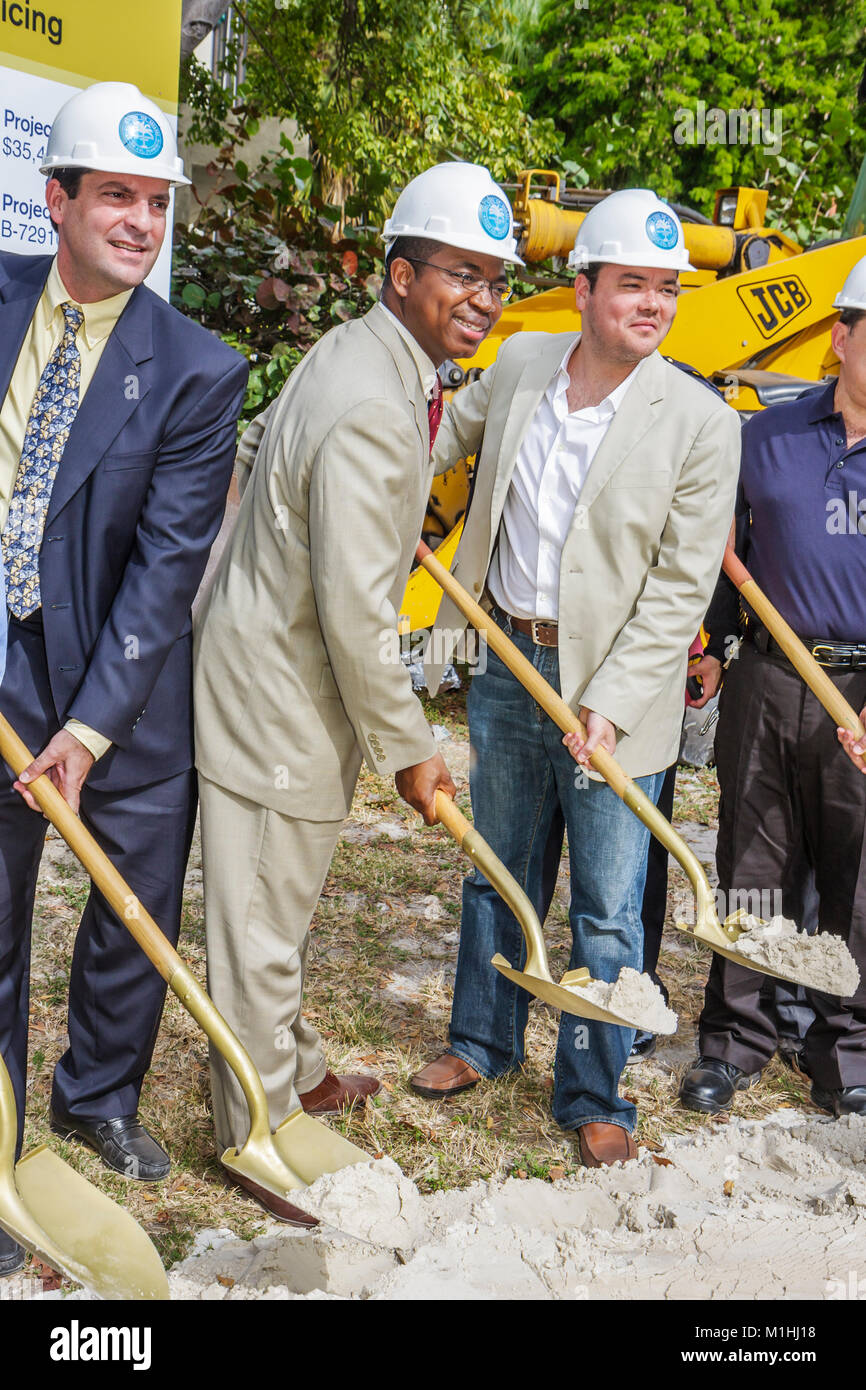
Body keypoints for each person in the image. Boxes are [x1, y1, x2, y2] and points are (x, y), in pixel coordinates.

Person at [193, 162, 520, 1222]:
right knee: (259, 918)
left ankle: (295, 1066)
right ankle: (252, 1130)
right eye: (458, 274)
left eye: (495, 279)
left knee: (277, 896)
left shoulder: (372, 360)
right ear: (398, 273)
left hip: (286, 667)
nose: (478, 297)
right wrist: (413, 751)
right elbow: (352, 614)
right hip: (279, 693)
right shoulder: (373, 406)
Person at [412, 189, 741, 1167]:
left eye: (665, 288)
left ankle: (592, 1089)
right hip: (510, 661)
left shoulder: (696, 420)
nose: (651, 303)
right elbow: (441, 442)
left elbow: (680, 585)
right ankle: (480, 1041)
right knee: (497, 868)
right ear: (582, 287)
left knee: (605, 899)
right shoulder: (518, 365)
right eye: (631, 283)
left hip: (614, 690)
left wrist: (607, 701)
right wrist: (373, 479)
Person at [0, 81, 248, 1277]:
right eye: (118, 197)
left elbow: (166, 565)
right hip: (3, 671)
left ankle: (96, 1094)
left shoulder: (198, 370)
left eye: (157, 202)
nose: (144, 222)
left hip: (124, 685)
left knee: (129, 912)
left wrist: (91, 730)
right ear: (58, 200)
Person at [680, 254, 866, 1118]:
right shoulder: (766, 435)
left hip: (860, 697)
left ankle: (844, 1053)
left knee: (858, 880)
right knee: (752, 865)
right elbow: (731, 554)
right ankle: (736, 1038)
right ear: (842, 337)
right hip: (767, 676)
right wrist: (713, 641)